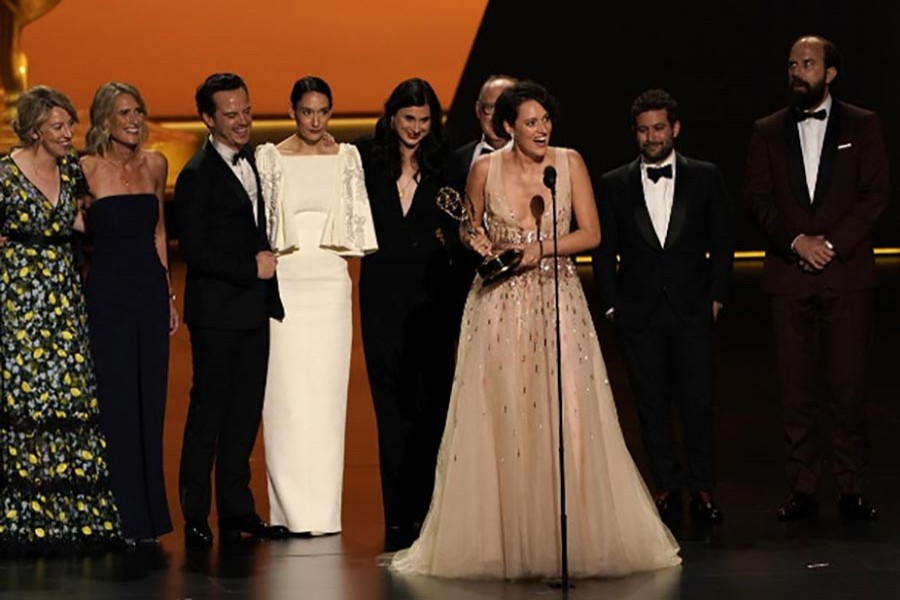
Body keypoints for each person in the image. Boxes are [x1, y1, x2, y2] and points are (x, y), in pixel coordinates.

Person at [391, 81, 681, 579]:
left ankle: (567, 537)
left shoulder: (568, 164)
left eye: (546, 120)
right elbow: (468, 225)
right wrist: (480, 243)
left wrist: (539, 249)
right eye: (530, 122)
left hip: (556, 300)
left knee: (564, 411)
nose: (542, 129)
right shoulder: (484, 168)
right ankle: (506, 540)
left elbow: (591, 233)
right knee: (501, 417)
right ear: (508, 126)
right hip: (498, 308)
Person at [743, 35, 888, 521]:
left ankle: (850, 485)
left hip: (846, 275)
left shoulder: (863, 125)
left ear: (830, 73)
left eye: (807, 63)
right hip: (789, 275)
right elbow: (758, 198)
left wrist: (831, 244)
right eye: (791, 64)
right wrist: (796, 242)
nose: (797, 71)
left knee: (848, 386)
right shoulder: (766, 130)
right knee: (796, 388)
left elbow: (875, 195)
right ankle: (802, 486)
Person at [593, 89, 732, 525]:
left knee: (697, 403)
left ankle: (703, 489)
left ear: (675, 128)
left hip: (692, 310)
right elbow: (603, 251)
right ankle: (666, 488)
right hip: (639, 314)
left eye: (658, 128)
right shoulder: (614, 183)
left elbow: (724, 244)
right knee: (650, 405)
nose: (651, 137)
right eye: (642, 129)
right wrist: (614, 306)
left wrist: (716, 298)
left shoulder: (706, 177)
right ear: (634, 133)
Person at [0, 85, 123, 552]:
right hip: (19, 301)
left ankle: (73, 518)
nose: (69, 133)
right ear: (35, 131)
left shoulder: (73, 171)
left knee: (69, 397)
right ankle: (24, 518)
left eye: (69, 125)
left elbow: (85, 220)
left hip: (64, 298)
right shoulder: (5, 176)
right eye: (59, 126)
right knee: (27, 401)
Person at [255, 76, 377, 535]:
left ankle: (322, 514)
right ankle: (287, 511)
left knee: (325, 403)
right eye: (306, 111)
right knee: (284, 400)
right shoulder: (269, 158)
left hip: (329, 288)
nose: (314, 120)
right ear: (292, 110)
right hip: (284, 287)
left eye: (322, 111)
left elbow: (355, 228)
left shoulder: (347, 158)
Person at [175, 72, 288, 547]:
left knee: (244, 416)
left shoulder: (258, 163)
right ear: (208, 118)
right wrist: (250, 267)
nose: (243, 121)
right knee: (209, 416)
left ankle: (238, 511)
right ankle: (197, 515)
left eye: (246, 110)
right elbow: (196, 250)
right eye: (231, 114)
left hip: (251, 312)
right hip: (217, 313)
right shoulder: (196, 174)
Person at [354, 78, 463, 552]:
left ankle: (431, 511)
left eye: (424, 121)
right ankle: (399, 515)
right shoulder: (365, 158)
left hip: (432, 297)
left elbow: (461, 227)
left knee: (431, 406)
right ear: (391, 116)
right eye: (408, 119)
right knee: (390, 405)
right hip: (380, 295)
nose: (416, 129)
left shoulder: (446, 162)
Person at [79, 82, 178, 544]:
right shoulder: (84, 169)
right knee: (117, 402)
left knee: (150, 402)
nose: (134, 120)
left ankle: (151, 518)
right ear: (104, 119)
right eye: (124, 113)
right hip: (107, 294)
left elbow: (159, 232)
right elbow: (68, 226)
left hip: (148, 292)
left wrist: (168, 294)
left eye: (138, 110)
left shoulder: (155, 164)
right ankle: (121, 517)